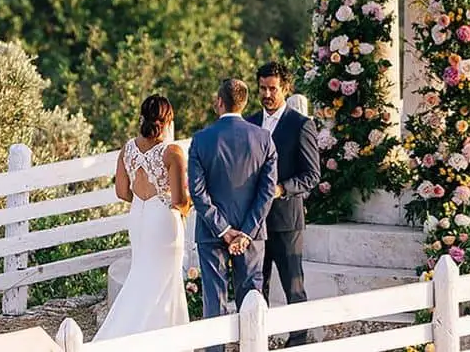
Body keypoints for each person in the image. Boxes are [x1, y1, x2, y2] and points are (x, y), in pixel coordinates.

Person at [188, 77, 277, 349]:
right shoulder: (264, 138)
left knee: (214, 299)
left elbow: (198, 193)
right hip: (252, 233)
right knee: (251, 297)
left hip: (211, 232)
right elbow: (267, 192)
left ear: (219, 102)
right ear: (245, 103)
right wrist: (246, 232)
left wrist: (224, 230)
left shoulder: (201, 140)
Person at [95, 95, 191, 339]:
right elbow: (180, 200)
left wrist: (142, 201)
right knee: (165, 282)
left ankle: (126, 334)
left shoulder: (127, 149)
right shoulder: (172, 152)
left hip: (138, 216)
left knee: (140, 275)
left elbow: (121, 192)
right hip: (163, 220)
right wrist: (188, 203)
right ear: (168, 120)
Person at [246, 62, 321, 343]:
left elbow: (312, 175)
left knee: (294, 287)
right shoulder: (249, 123)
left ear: (286, 88)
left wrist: (282, 189)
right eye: (262, 88)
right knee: (255, 288)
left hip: (287, 220)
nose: (266, 94)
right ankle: (257, 342)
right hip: (253, 222)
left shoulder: (301, 125)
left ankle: (299, 342)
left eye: (272, 89)